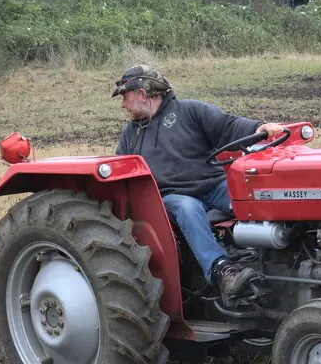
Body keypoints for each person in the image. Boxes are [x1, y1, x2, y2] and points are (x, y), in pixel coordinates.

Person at [112, 65, 285, 299]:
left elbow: (228, 126)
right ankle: (222, 271)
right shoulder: (129, 136)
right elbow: (123, 173)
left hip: (212, 185)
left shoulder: (190, 111)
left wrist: (258, 127)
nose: (123, 104)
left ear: (143, 93)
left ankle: (285, 254)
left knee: (255, 198)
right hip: (170, 196)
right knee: (187, 207)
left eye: (125, 95)